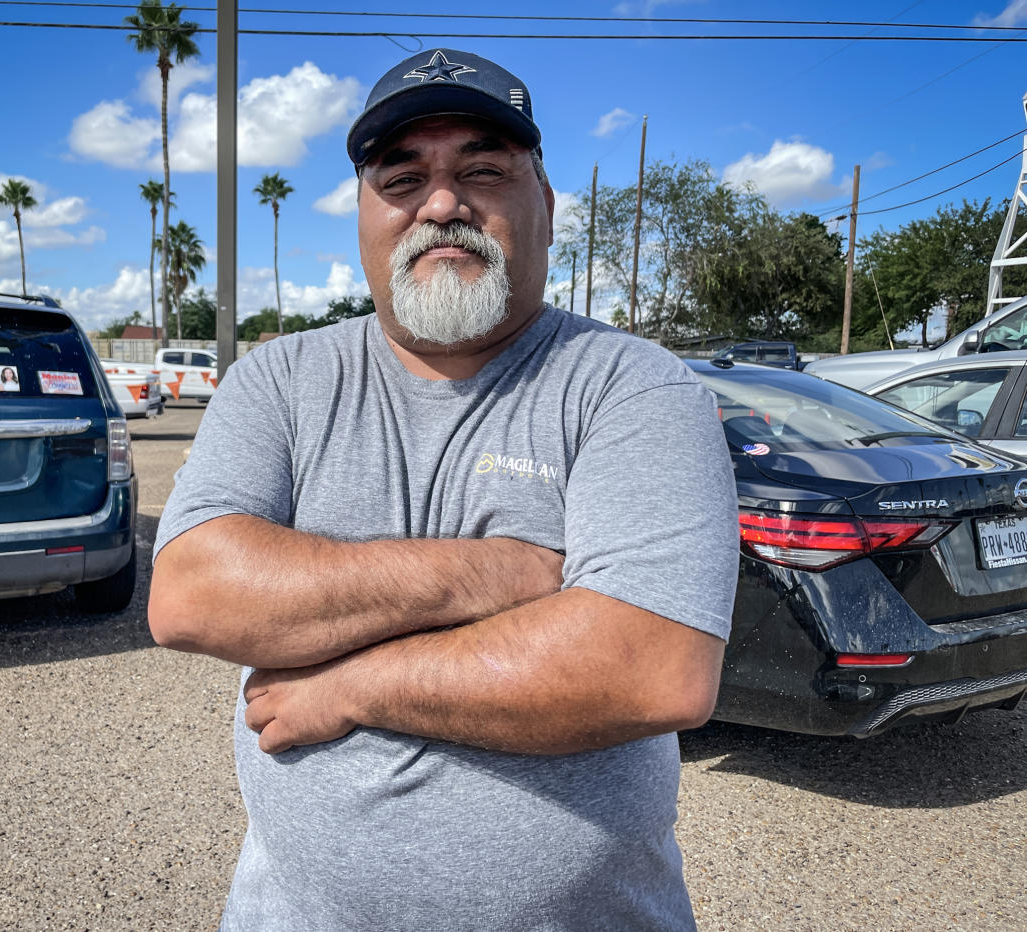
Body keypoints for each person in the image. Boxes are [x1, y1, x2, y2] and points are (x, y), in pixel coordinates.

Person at [150, 47, 739, 931]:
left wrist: (345, 688)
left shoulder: (631, 386)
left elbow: (652, 666)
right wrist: (498, 575)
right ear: (363, 215)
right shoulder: (279, 380)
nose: (441, 204)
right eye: (403, 177)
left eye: (482, 170)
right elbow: (192, 595)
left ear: (543, 205)